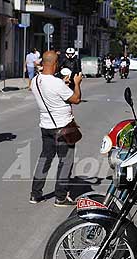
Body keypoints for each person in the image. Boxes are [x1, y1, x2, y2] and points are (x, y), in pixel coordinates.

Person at [29, 50, 83, 206]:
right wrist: (76, 83)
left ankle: (35, 194)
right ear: (53, 64)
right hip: (63, 127)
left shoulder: (35, 80)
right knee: (65, 161)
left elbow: (49, 92)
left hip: (45, 126)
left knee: (45, 159)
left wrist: (63, 84)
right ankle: (61, 197)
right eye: (57, 62)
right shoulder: (56, 83)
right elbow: (76, 99)